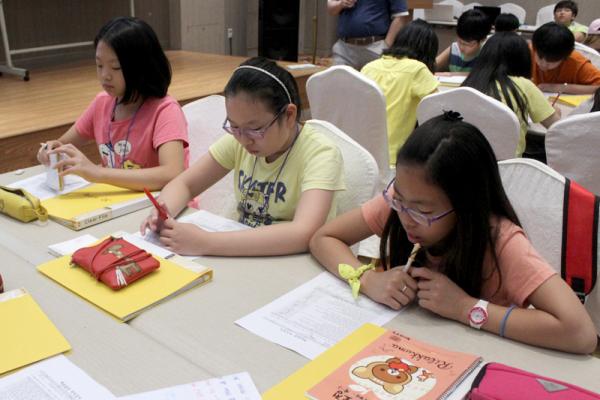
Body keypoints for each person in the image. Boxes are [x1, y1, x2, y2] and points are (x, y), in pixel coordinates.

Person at [309, 113, 597, 354]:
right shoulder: (404, 203)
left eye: (423, 211)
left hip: (477, 357)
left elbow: (580, 333)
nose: (406, 219)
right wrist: (367, 279)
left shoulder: (501, 242)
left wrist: (465, 308)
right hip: (406, 347)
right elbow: (324, 238)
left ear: (465, 206)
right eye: (398, 200)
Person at [140, 57, 345, 257]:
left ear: (289, 115)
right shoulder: (239, 141)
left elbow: (303, 233)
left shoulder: (320, 154)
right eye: (234, 126)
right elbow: (185, 185)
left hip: (293, 262)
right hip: (243, 253)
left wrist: (206, 242)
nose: (244, 140)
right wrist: (162, 211)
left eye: (255, 129)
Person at [36, 17, 188, 191]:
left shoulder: (165, 110)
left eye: (115, 67)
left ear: (142, 67)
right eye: (99, 65)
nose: (105, 76)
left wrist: (98, 173)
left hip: (162, 203)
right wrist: (50, 150)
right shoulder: (102, 103)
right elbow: (62, 144)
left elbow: (172, 173)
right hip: (120, 201)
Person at [462, 32, 561, 156]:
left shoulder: (470, 84)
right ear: (523, 59)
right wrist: (555, 112)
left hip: (466, 160)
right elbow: (556, 127)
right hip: (508, 163)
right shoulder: (524, 85)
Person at [361, 20, 439, 164]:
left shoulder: (369, 67)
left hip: (362, 154)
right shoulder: (417, 70)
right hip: (394, 158)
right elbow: (439, 110)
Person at [327, 0, 409, 70]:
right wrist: (340, 3)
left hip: (375, 48)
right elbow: (331, 9)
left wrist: (386, 46)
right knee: (339, 82)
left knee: (374, 83)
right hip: (344, 48)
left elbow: (401, 16)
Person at [531, 22, 600, 94]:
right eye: (539, 57)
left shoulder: (576, 62)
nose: (543, 64)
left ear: (565, 57)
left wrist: (561, 87)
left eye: (551, 61)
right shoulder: (529, 51)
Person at [435, 9, 492, 74]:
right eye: (459, 41)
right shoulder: (454, 48)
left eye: (468, 44)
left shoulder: (486, 53)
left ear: (483, 39)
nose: (461, 47)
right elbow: (432, 66)